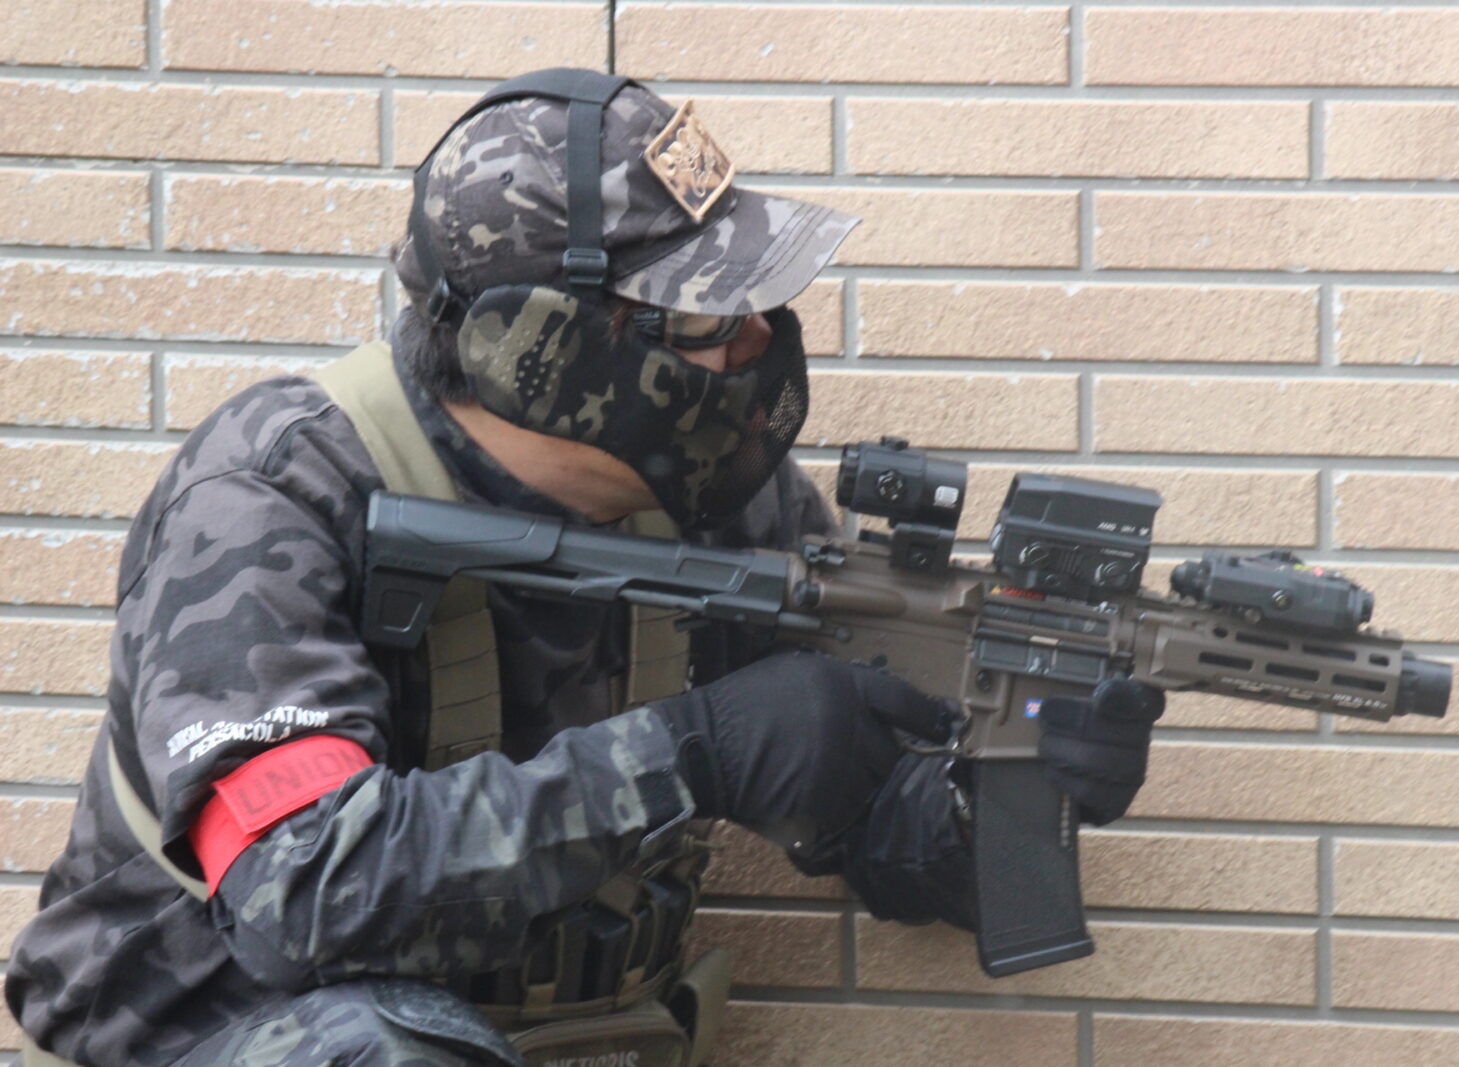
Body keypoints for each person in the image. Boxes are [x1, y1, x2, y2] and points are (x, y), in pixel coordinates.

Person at [5, 69, 1164, 1067]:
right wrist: (692, 751)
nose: (757, 338)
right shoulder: (274, 492)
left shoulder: (724, 498)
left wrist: (1003, 789)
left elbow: (870, 821)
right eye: (708, 312)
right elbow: (299, 893)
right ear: (545, 348)